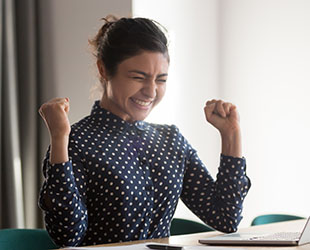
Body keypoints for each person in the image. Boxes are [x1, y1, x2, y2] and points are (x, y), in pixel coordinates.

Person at [38, 16, 251, 247]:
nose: (151, 92)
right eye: (138, 77)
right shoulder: (76, 142)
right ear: (103, 70)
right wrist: (60, 138)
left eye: (161, 79)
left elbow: (225, 217)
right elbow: (67, 236)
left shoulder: (171, 140)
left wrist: (231, 135)